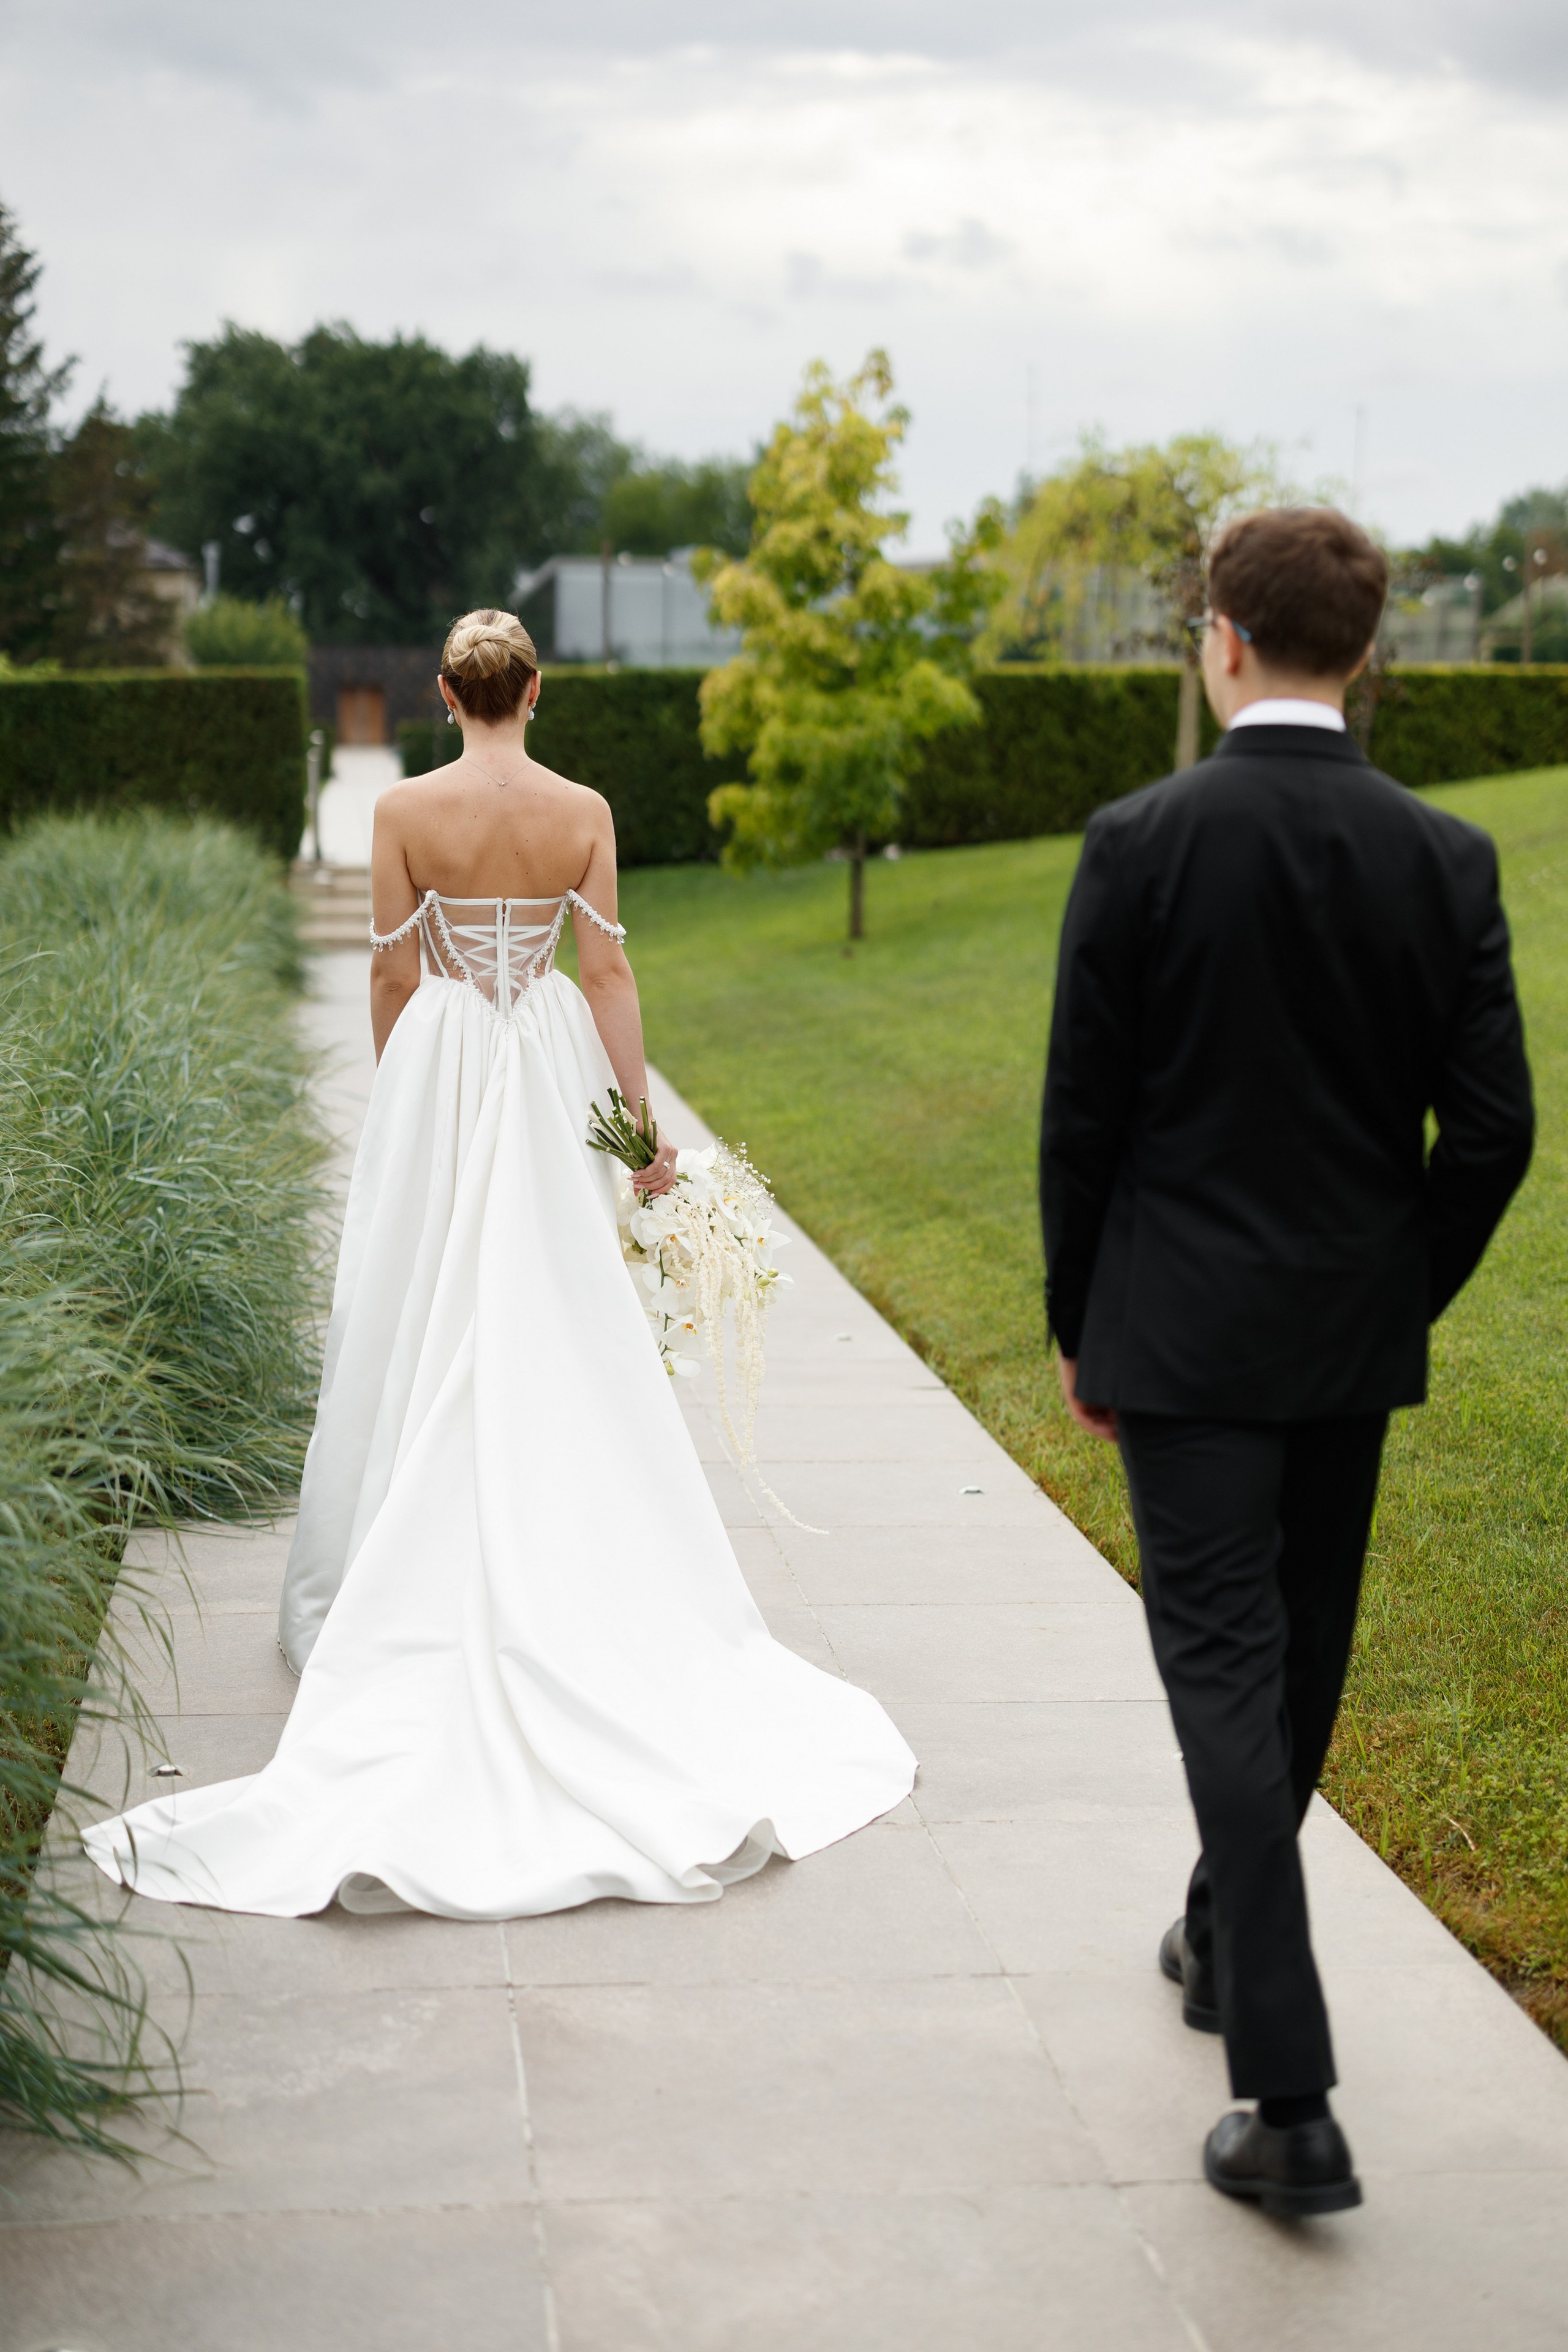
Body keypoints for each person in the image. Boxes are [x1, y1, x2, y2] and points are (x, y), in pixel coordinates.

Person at [86, 609, 915, 1919]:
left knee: (418, 1303)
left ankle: (396, 1554)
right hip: (542, 1072)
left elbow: (392, 975)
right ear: (536, 689)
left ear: (441, 693)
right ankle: (570, 1548)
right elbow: (604, 974)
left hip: (443, 1066)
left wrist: (403, 1097)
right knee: (554, 1307)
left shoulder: (405, 811)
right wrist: (641, 1138)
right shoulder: (580, 806)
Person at [1039, 510, 1534, 2217]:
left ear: (1227, 641)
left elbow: (1082, 1121)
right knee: (1293, 1664)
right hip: (1336, 1339)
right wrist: (1399, 1286)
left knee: (1231, 1682)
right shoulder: (1444, 858)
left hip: (1179, 1339)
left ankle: (1292, 2095)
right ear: (1367, 647)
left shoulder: (1137, 840)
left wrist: (1079, 1320)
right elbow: (1493, 1137)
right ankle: (1213, 1925)